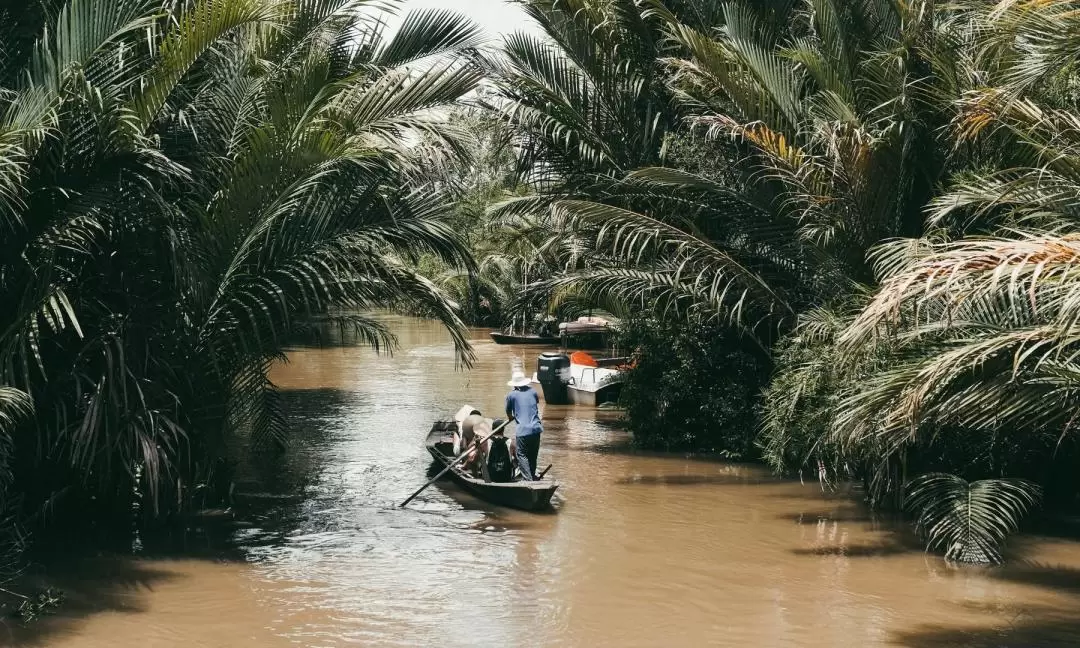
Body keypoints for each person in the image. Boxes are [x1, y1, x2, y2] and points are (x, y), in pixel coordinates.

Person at [505, 369, 543, 480]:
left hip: (523, 430)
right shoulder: (533, 391)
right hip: (536, 428)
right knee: (532, 455)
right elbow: (534, 404)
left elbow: (508, 412)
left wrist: (511, 417)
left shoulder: (511, 395)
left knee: (521, 454)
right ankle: (532, 475)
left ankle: (528, 479)